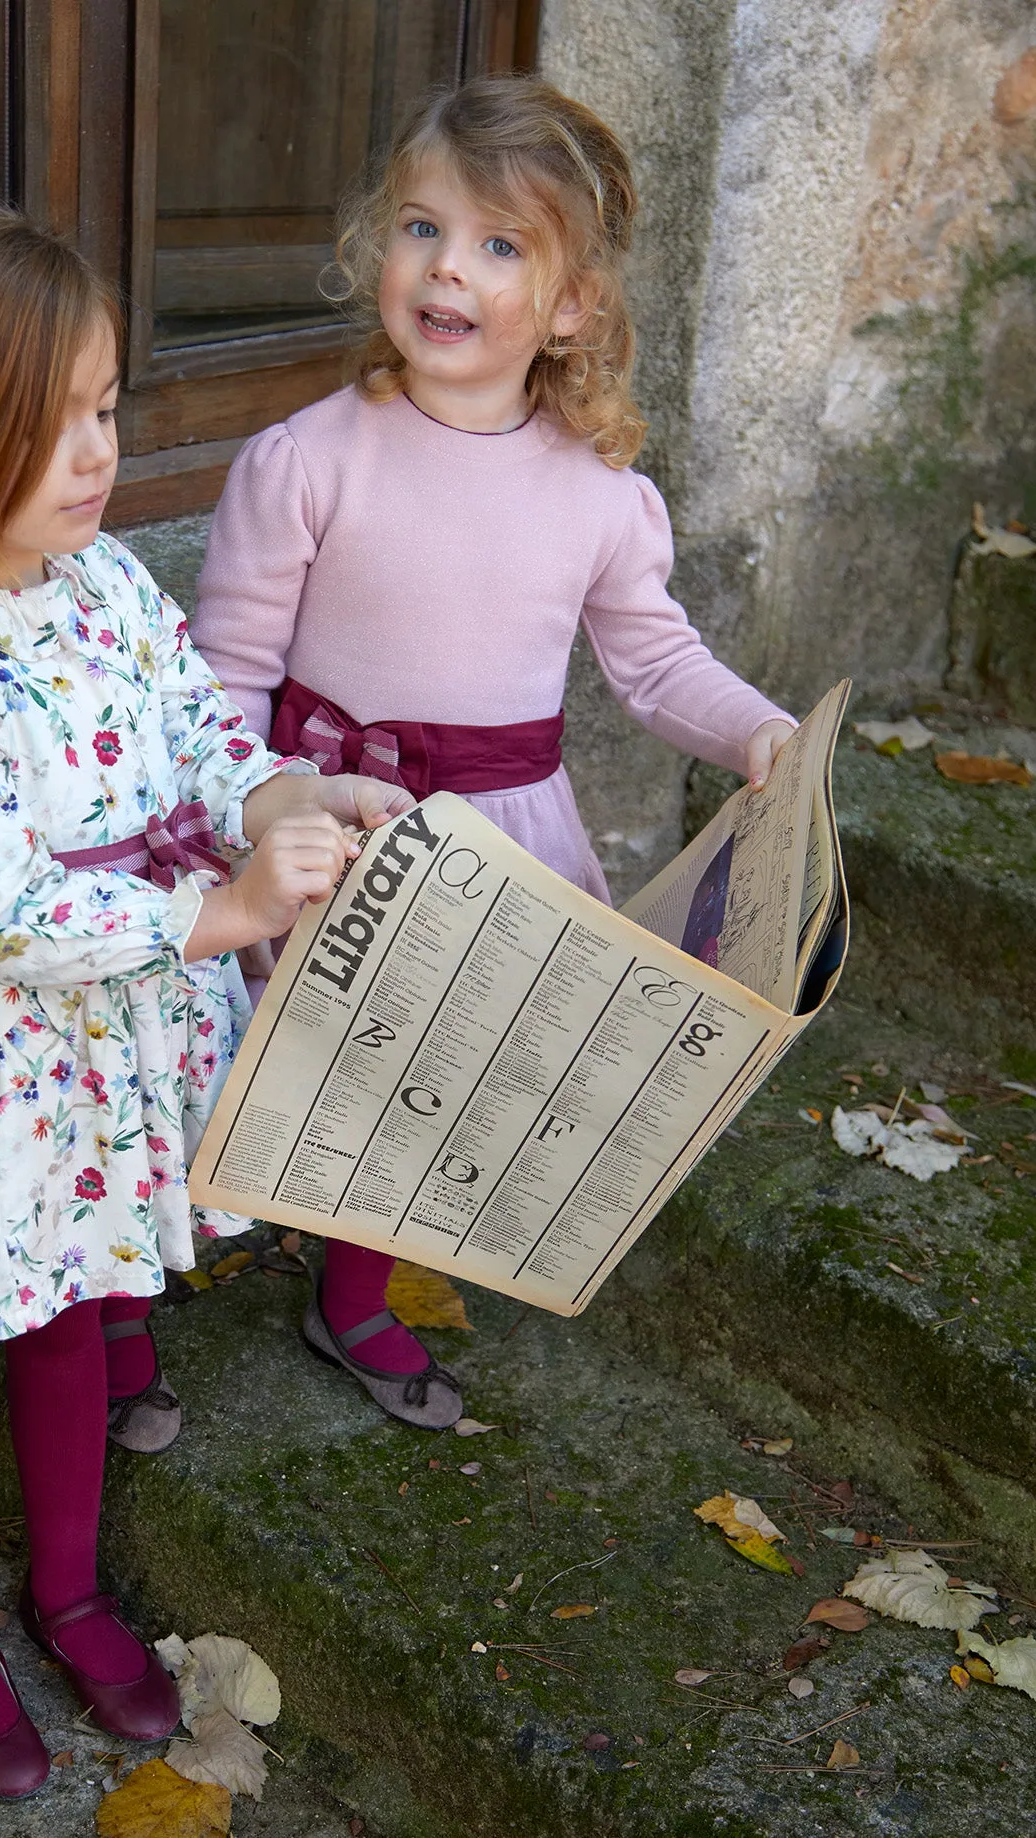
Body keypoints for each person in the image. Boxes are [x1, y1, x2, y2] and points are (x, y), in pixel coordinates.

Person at [0, 193, 409, 1798]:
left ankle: (68, 1588)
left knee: (80, 1316)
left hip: (115, 1048)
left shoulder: (112, 583)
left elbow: (199, 740)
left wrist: (286, 795)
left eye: (100, 409)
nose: (93, 453)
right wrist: (220, 908)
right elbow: (6, 906)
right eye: (41, 423)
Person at [191, 76, 796, 1432]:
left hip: (500, 838)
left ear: (574, 304)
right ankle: (121, 1308)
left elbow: (655, 663)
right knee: (247, 1061)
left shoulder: (599, 496)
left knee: (423, 1078)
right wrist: (259, 800)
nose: (447, 266)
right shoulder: (305, 462)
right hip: (325, 818)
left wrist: (758, 728)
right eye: (421, 227)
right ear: (378, 250)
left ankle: (353, 1292)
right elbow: (216, 679)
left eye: (501, 244)